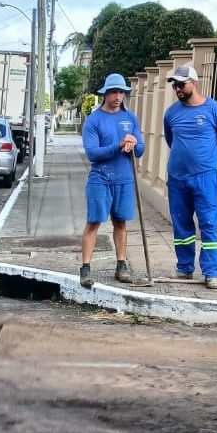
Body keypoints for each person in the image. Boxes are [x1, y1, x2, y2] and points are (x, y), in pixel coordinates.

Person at [163, 65, 217, 290]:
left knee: (209, 224)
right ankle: (184, 268)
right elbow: (171, 140)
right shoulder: (171, 113)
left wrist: (202, 160)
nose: (178, 89)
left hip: (205, 178)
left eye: (181, 85)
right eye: (175, 86)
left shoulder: (215, 110)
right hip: (177, 179)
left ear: (194, 83)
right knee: (181, 225)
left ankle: (211, 272)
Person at [79, 73, 145, 289]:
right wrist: (118, 144)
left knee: (120, 222)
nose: (118, 96)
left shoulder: (131, 118)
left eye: (121, 92)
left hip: (124, 179)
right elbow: (93, 154)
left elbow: (140, 150)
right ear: (105, 93)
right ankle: (86, 268)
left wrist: (133, 143)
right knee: (94, 222)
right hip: (100, 179)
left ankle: (121, 265)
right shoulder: (94, 120)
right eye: (114, 92)